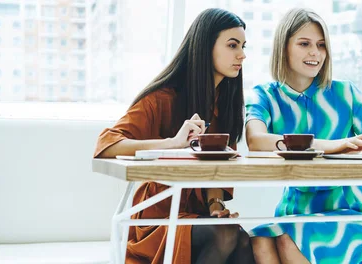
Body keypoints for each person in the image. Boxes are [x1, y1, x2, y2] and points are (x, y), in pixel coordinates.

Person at [93, 8, 254, 264]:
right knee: (226, 237)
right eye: (233, 45)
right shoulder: (163, 98)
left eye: (244, 46)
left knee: (244, 242)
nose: (242, 55)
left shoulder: (226, 104)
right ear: (205, 46)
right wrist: (173, 144)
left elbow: (218, 167)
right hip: (158, 215)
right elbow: (106, 145)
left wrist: (216, 206)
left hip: (198, 214)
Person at [245, 8, 362, 264]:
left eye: (321, 45)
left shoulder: (345, 93)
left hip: (348, 209)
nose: (315, 52)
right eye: (304, 44)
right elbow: (256, 141)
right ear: (284, 47)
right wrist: (331, 146)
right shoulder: (265, 95)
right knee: (258, 240)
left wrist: (359, 149)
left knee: (286, 241)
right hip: (295, 210)